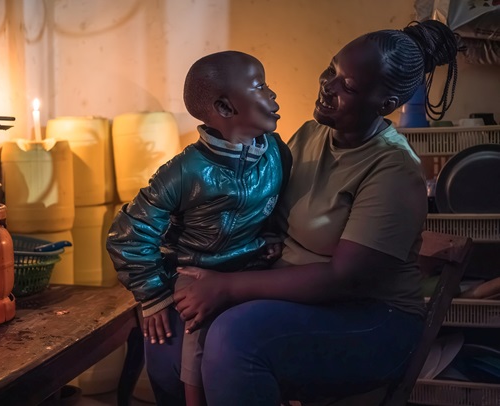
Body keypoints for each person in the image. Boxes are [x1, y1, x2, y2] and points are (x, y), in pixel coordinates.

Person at [155, 20, 459, 406]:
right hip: (293, 296)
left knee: (236, 338)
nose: (328, 86)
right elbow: (261, 211)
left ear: (385, 105)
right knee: (166, 333)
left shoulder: (393, 170)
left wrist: (226, 286)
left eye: (346, 86)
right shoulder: (308, 136)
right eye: (331, 70)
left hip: (372, 318)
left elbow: (343, 279)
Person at [106, 50, 292, 406]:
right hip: (197, 266)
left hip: (250, 261)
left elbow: (277, 203)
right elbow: (127, 234)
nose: (273, 96)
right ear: (224, 108)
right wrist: (153, 297)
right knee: (196, 324)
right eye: (260, 87)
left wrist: (270, 236)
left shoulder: (275, 152)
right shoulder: (184, 170)